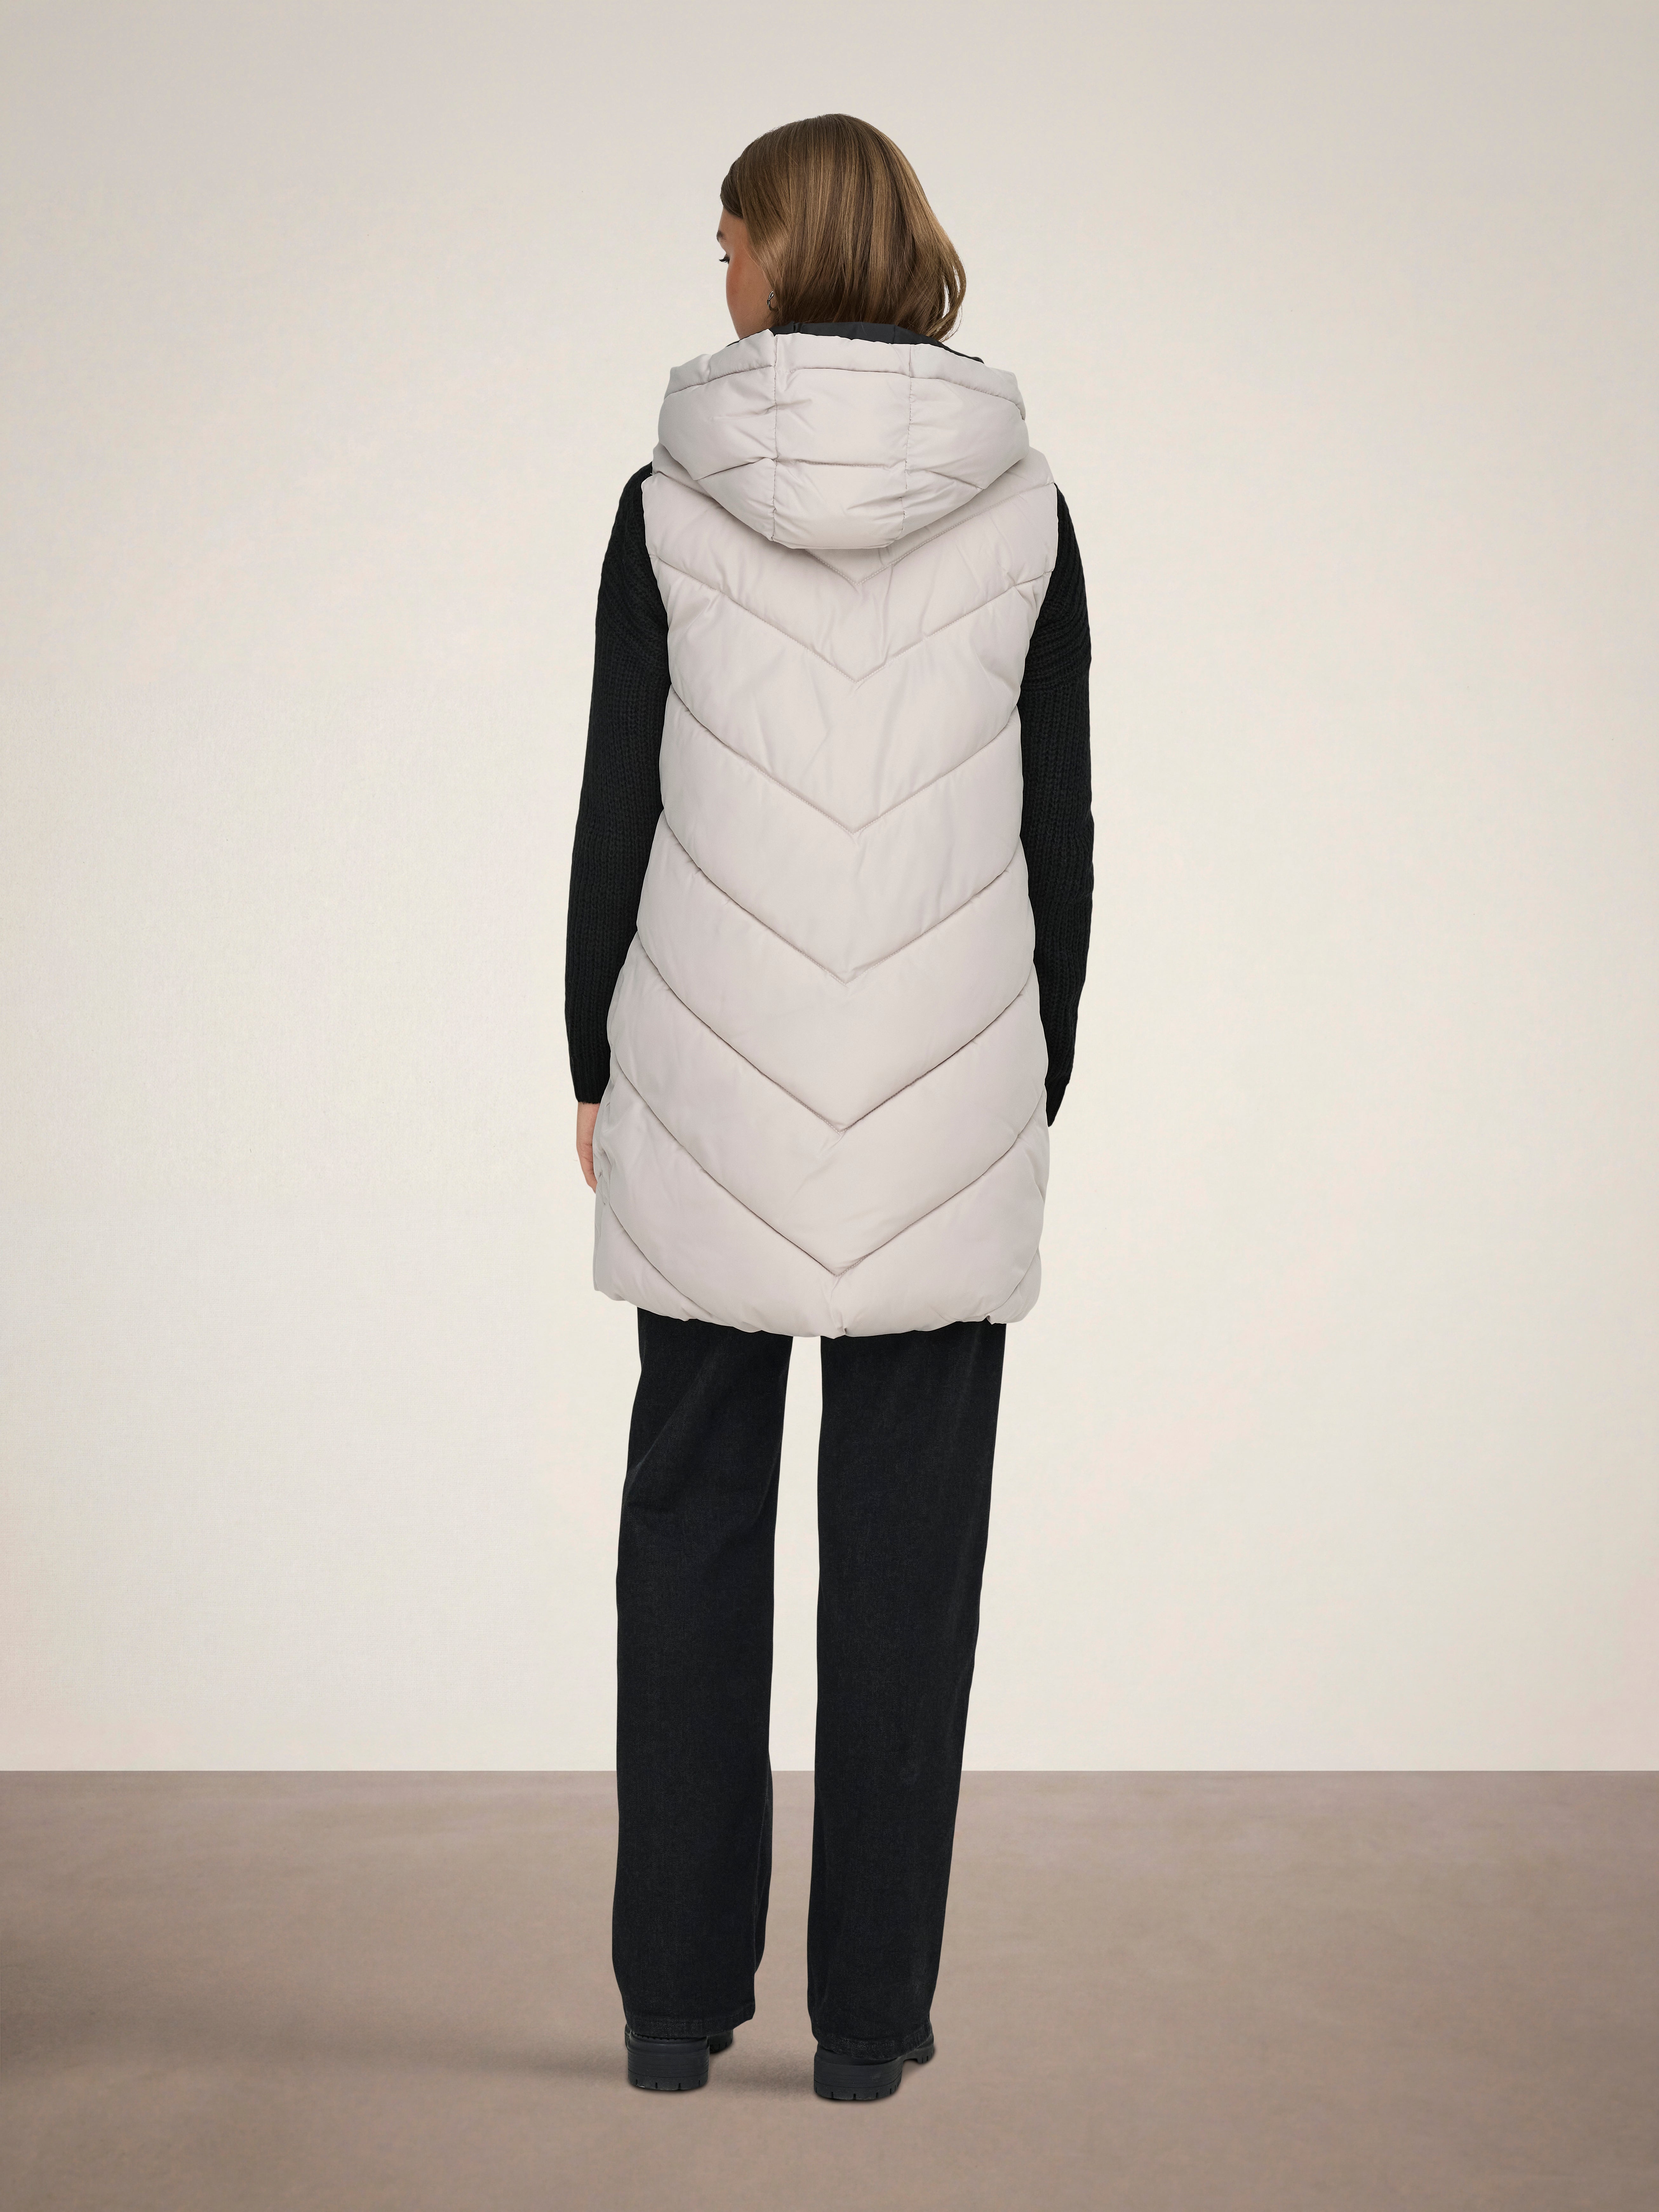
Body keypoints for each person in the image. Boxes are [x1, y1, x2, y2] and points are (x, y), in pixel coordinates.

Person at [564, 113, 1094, 2102]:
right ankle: (866, 2029)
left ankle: (673, 2012)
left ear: (786, 250)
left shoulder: (662, 504)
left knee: (690, 1536)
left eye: (729, 240)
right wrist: (1035, 1070)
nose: (718, 276)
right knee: (908, 1565)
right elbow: (1062, 834)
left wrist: (589, 1056)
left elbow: (618, 803)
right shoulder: (1026, 506)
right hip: (952, 1076)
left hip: (707, 1075)